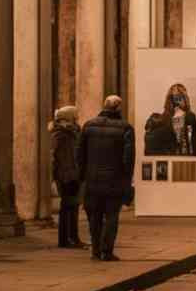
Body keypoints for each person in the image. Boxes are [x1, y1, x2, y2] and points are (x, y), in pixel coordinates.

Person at [77, 95, 135, 261]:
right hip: (114, 180)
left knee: (94, 216)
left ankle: (95, 250)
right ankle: (106, 251)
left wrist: (82, 176)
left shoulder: (88, 126)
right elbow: (128, 158)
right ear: (118, 108)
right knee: (111, 216)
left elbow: (80, 154)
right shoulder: (125, 128)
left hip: (92, 179)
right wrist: (127, 179)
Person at [50, 106, 84, 249]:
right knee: (67, 207)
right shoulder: (59, 134)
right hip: (65, 175)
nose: (77, 119)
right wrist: (56, 176)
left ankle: (72, 238)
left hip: (73, 174)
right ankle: (66, 239)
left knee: (72, 207)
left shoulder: (71, 133)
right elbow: (53, 157)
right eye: (75, 116)